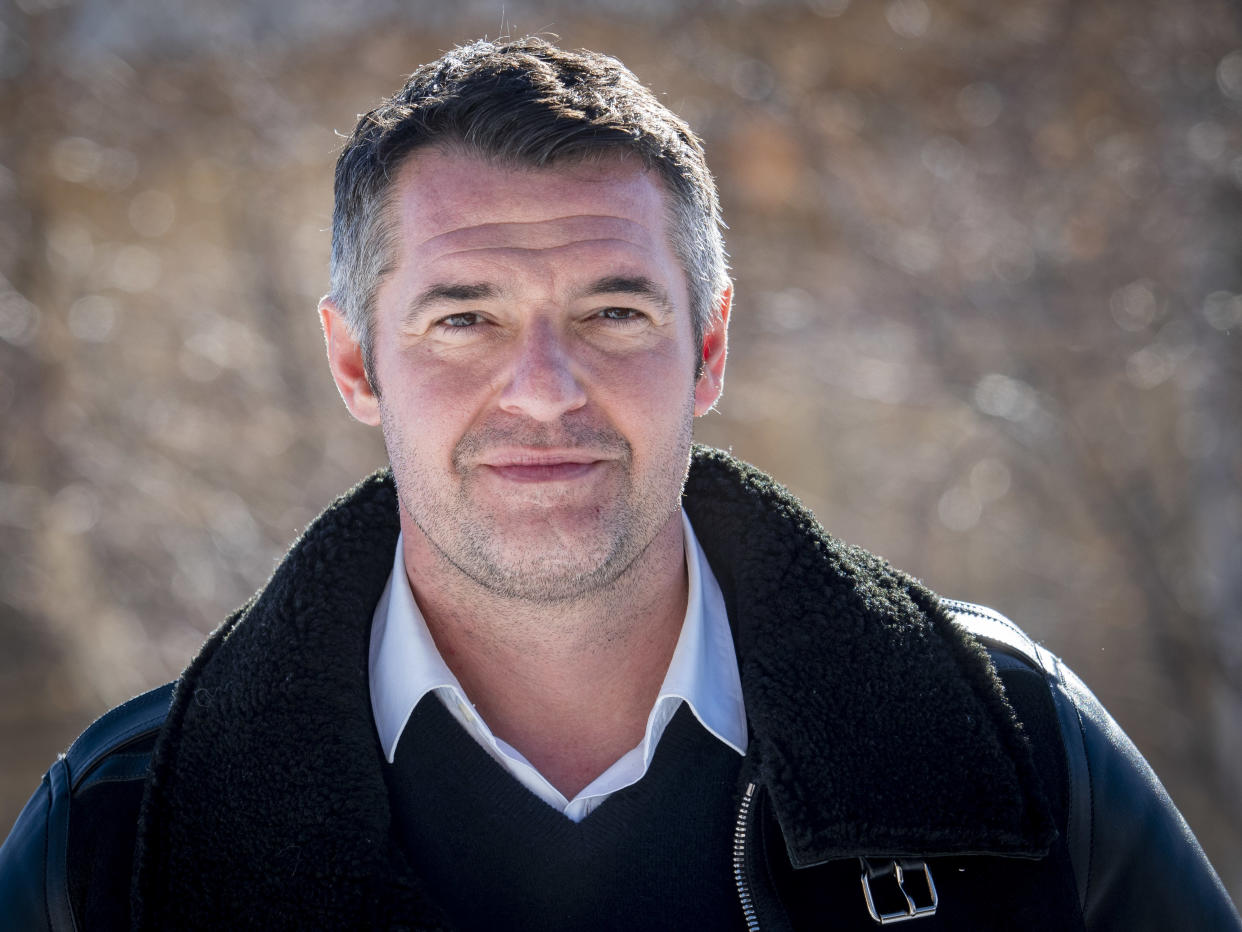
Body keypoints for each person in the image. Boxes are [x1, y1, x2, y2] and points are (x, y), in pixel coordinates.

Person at [1, 36, 1238, 932]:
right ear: (352, 360)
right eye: (465, 318)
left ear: (706, 347)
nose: (543, 388)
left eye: (613, 309)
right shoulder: (123, 838)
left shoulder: (1012, 741)